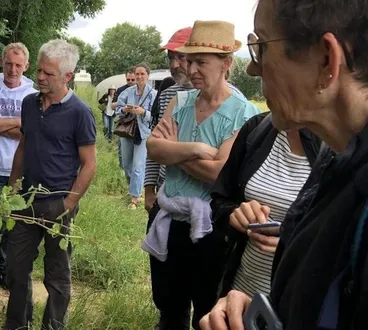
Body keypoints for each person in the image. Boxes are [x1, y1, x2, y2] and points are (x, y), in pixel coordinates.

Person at [200, 0, 368, 329]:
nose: (252, 68)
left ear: (325, 60)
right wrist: (263, 312)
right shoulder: (336, 159)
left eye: (260, 46)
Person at [144, 20, 260, 330]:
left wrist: (175, 149)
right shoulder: (179, 101)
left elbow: (218, 173)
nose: (191, 68)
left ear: (226, 64)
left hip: (211, 229)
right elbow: (154, 148)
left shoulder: (243, 113)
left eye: (201, 62)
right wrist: (197, 148)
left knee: (207, 311)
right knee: (169, 307)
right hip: (170, 220)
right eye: (189, 60)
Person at [4, 39, 97, 330]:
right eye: (40, 71)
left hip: (58, 203)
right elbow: (24, 145)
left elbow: (90, 163)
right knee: (15, 268)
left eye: (49, 73)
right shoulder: (29, 103)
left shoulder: (80, 113)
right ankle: (17, 324)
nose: (40, 77)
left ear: (68, 76)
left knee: (57, 275)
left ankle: (53, 326)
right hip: (25, 201)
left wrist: (68, 204)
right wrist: (11, 188)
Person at [210, 111, 320, 298]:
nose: (264, 87)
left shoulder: (346, 144)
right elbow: (220, 200)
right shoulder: (258, 128)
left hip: (298, 306)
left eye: (270, 79)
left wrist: (298, 245)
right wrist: (235, 214)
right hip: (241, 291)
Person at [0, 42, 38, 291]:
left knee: (13, 225)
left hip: (19, 170)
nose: (13, 70)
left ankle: (5, 271)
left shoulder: (32, 93)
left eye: (18, 65)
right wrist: (17, 121)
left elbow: (32, 132)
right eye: (8, 63)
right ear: (1, 61)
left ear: (26, 66)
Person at [144, 27, 194, 215]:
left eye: (180, 57)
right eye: (171, 58)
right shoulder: (167, 95)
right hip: (164, 195)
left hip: (201, 202)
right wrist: (149, 190)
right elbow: (154, 144)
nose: (174, 65)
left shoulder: (227, 99)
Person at [115, 62, 157, 209]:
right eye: (137, 74)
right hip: (126, 131)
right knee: (126, 164)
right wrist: (125, 109)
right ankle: (132, 189)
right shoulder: (127, 92)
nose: (139, 77)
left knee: (138, 165)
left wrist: (143, 112)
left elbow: (156, 117)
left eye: (142, 74)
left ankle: (135, 197)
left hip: (143, 133)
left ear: (147, 75)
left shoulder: (153, 95)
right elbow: (117, 110)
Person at [113, 67, 137, 166]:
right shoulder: (121, 90)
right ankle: (123, 167)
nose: (130, 82)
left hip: (137, 123)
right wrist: (124, 106)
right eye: (128, 80)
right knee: (121, 147)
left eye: (132, 80)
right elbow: (113, 105)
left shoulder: (142, 90)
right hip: (124, 123)